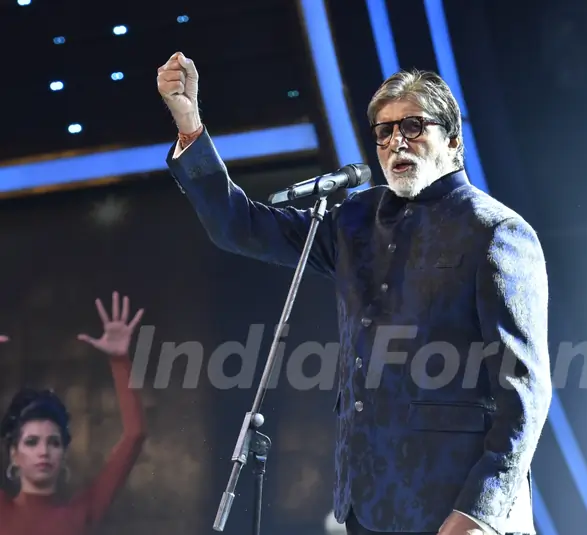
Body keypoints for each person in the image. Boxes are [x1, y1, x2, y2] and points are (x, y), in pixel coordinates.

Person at [158, 52, 551, 535]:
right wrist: (190, 127)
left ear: (452, 140)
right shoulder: (355, 221)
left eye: (412, 126)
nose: (395, 141)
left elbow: (525, 393)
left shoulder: (495, 232)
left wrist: (481, 511)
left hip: (456, 506)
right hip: (368, 502)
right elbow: (240, 227)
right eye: (384, 131)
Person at [0, 292, 147, 535]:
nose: (44, 451)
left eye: (54, 442)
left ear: (64, 453)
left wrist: (120, 359)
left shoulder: (81, 513)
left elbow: (135, 434)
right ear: (14, 454)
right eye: (32, 442)